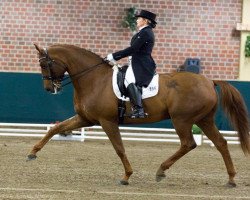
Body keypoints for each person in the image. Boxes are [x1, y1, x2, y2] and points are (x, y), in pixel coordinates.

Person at [106, 9, 157, 119]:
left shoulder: (146, 32)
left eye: (139, 19)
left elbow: (133, 49)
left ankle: (139, 109)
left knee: (129, 79)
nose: (137, 21)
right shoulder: (143, 32)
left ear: (146, 21)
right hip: (136, 63)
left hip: (142, 65)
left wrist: (114, 56)